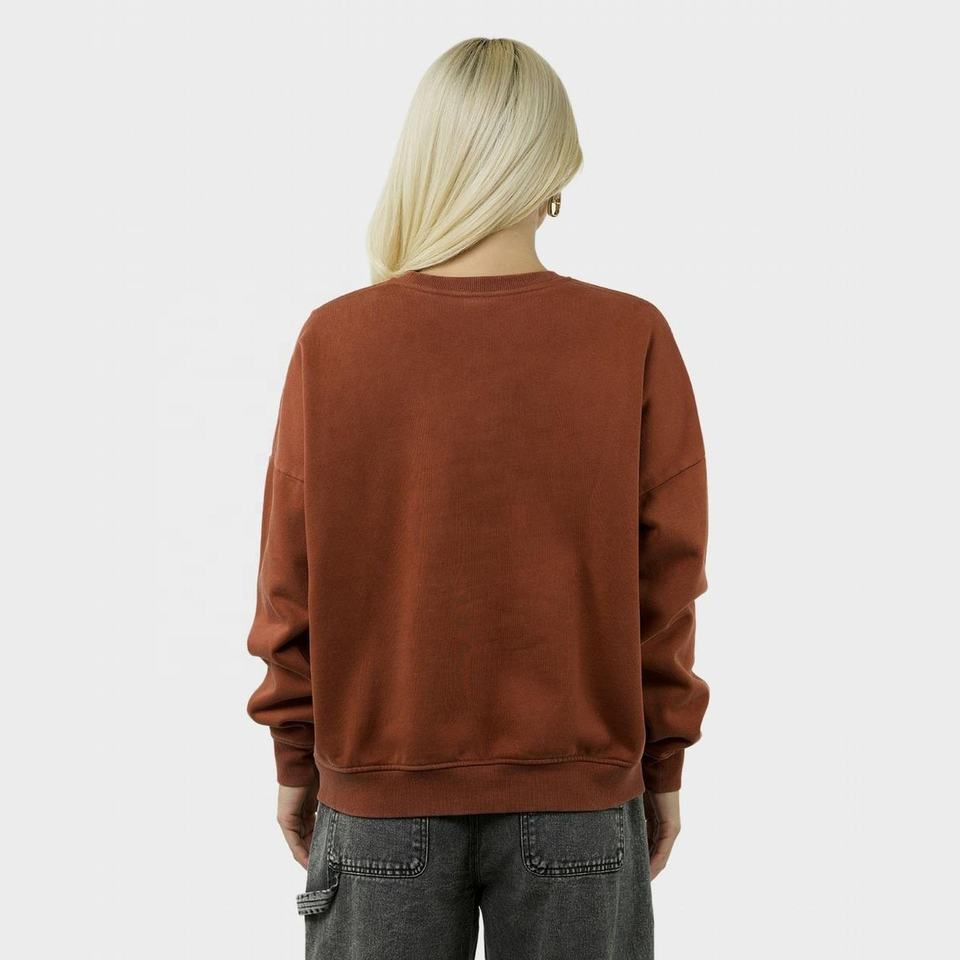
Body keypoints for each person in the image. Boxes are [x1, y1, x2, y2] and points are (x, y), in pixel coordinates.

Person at [245, 36, 709, 960]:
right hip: (580, 802)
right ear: (553, 171)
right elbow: (668, 582)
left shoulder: (336, 341)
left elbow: (289, 584)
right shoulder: (630, 336)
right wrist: (662, 766)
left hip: (378, 798)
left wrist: (296, 758)